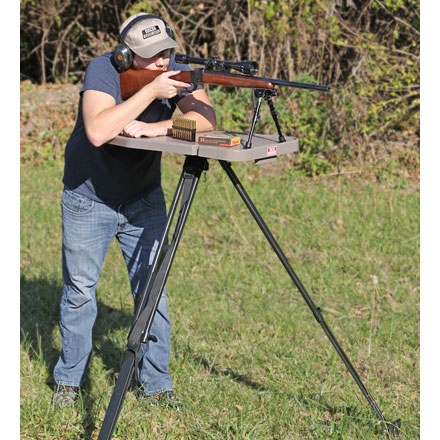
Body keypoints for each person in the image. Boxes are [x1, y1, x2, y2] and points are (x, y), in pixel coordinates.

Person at [52, 12, 216, 408]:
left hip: (143, 198)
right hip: (88, 198)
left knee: (152, 293)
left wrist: (158, 128)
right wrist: (149, 94)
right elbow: (97, 130)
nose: (163, 62)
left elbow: (206, 121)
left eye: (167, 52)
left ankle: (156, 384)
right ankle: (69, 382)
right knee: (79, 294)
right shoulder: (103, 70)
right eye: (152, 55)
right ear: (126, 56)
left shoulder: (172, 71)